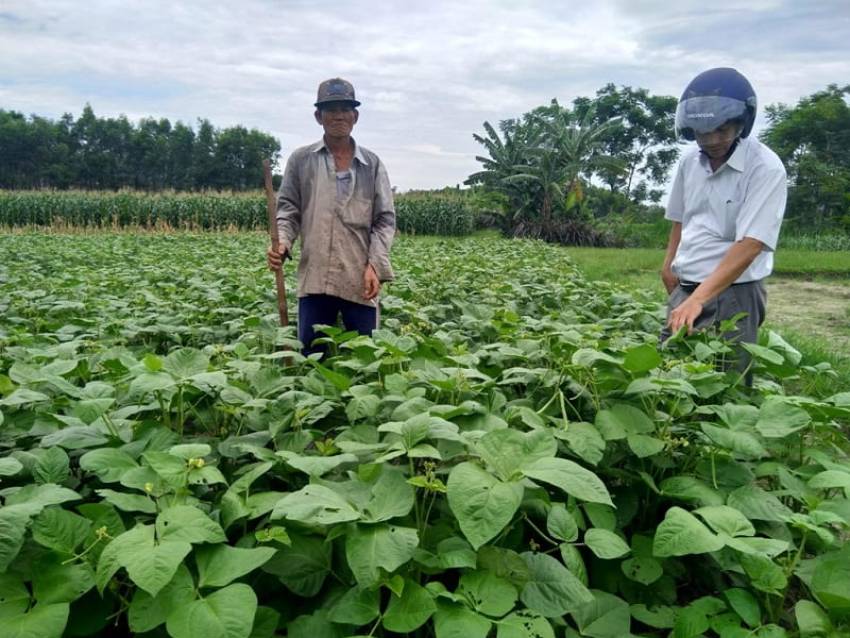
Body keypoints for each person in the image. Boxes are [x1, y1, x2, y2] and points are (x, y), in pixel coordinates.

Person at [660, 68, 787, 369]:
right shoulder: (689, 162)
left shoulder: (765, 168)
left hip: (734, 294)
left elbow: (751, 243)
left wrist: (698, 300)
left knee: (724, 382)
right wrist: (668, 267)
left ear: (742, 123)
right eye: (703, 132)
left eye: (722, 130)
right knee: (669, 374)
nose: (712, 139)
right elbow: (681, 218)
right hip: (686, 286)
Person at [267, 78, 395, 355]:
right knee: (312, 359)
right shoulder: (301, 160)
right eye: (330, 109)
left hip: (359, 278)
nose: (338, 115)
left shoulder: (371, 165)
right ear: (318, 116)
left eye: (345, 109)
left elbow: (384, 220)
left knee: (364, 360)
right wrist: (283, 242)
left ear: (355, 116)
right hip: (315, 277)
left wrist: (375, 265)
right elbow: (288, 209)